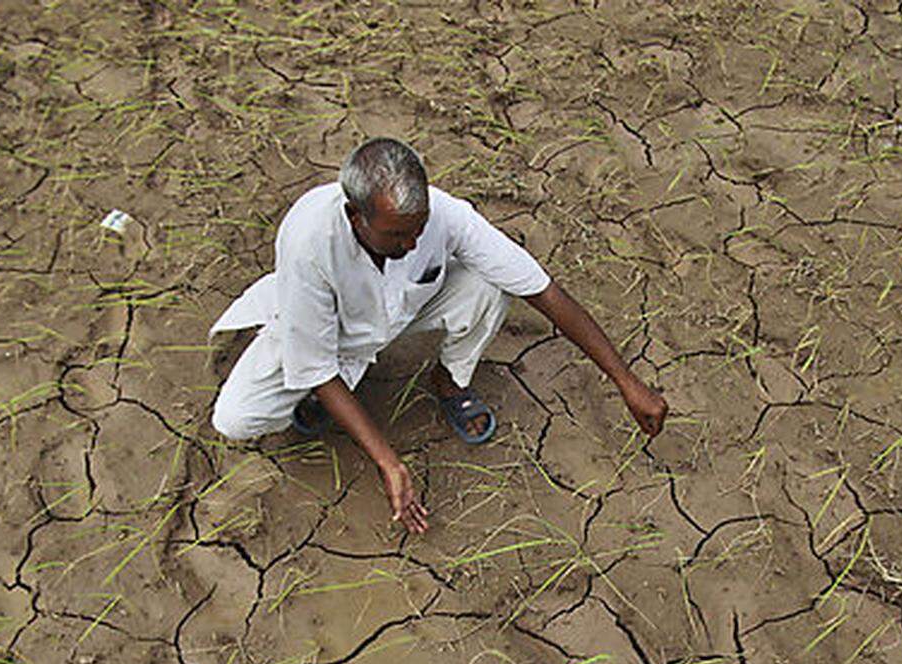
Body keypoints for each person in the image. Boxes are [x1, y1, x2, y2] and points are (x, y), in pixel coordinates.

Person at [210, 138, 668, 534]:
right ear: (356, 217)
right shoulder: (309, 242)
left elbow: (542, 289)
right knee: (236, 419)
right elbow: (316, 366)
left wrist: (626, 381)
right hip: (327, 329)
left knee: (490, 283)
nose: (413, 243)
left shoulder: (443, 216)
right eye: (398, 235)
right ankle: (330, 396)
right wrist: (389, 462)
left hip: (402, 310)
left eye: (419, 229)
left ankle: (449, 384)